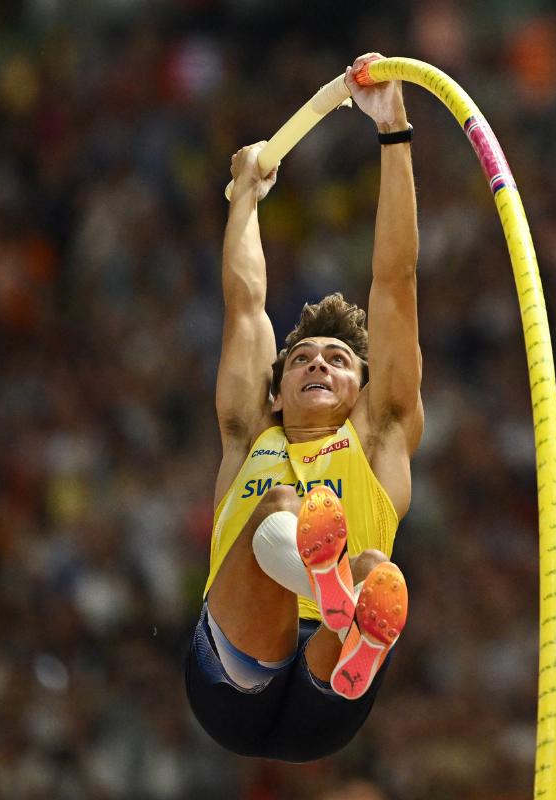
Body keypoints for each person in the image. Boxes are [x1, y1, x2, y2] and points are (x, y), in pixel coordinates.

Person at [184, 52, 422, 763]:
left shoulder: (381, 438)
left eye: (339, 360)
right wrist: (245, 200)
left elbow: (396, 281)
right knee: (286, 508)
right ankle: (342, 601)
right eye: (302, 360)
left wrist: (393, 135)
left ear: (363, 392)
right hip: (233, 683)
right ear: (277, 386)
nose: (318, 362)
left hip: (330, 693)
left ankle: (346, 620)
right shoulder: (246, 431)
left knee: (377, 566)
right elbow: (245, 302)